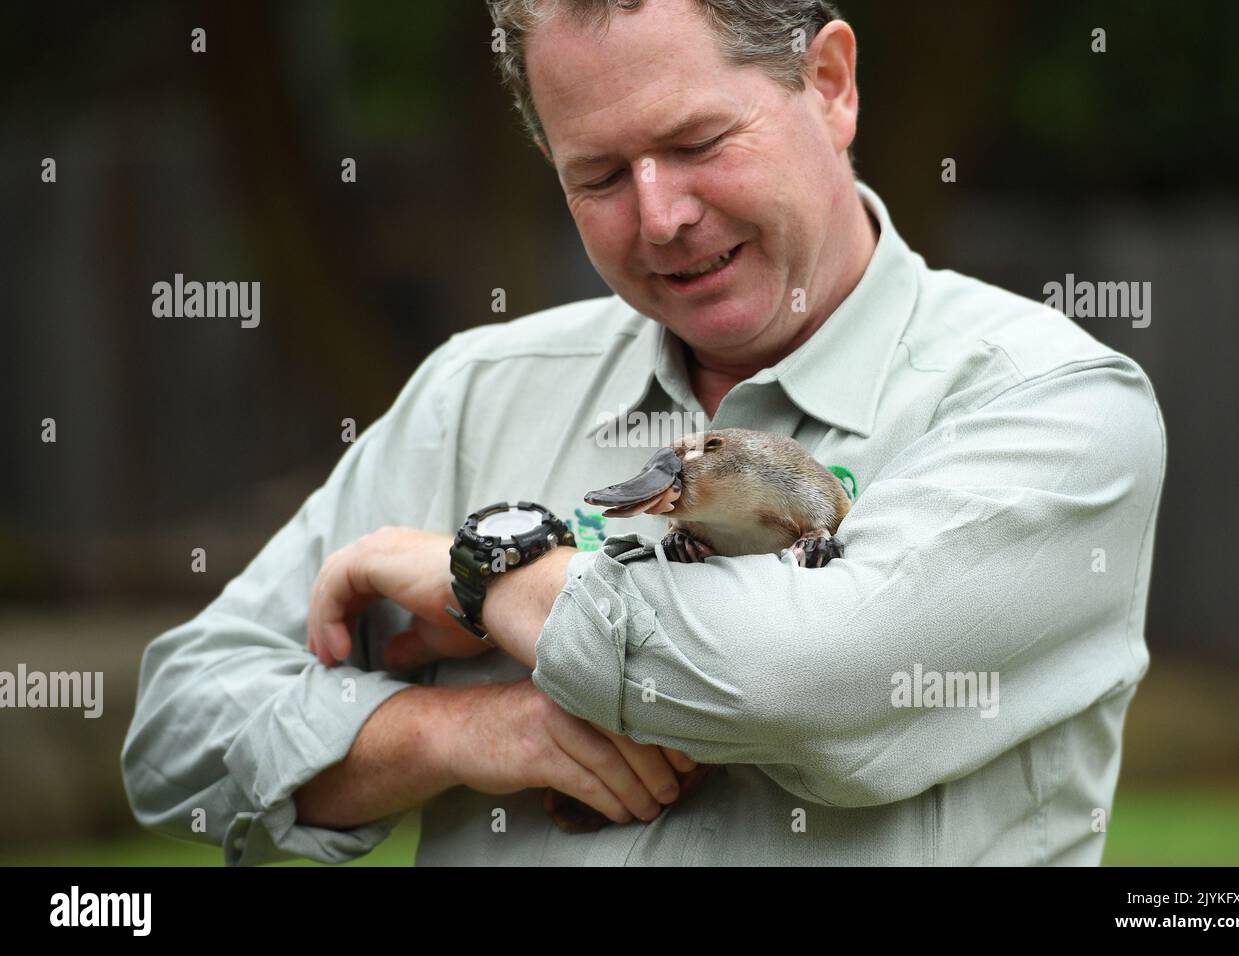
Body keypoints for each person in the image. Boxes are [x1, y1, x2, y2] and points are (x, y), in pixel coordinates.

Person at [122, 0, 1166, 865]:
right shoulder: (477, 391)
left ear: (832, 83)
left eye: (697, 143)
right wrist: (461, 729)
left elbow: (796, 683)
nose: (660, 215)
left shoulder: (1053, 401)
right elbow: (177, 730)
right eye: (600, 176)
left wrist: (481, 576)